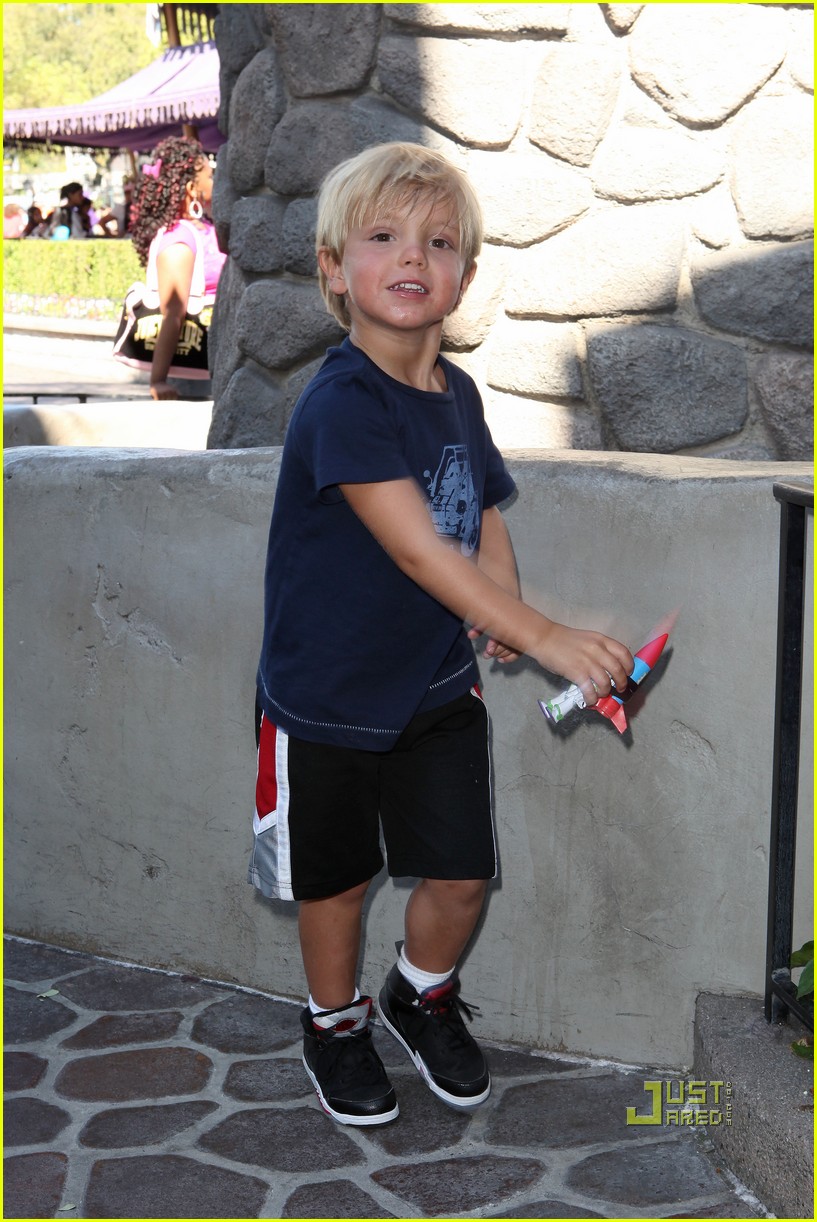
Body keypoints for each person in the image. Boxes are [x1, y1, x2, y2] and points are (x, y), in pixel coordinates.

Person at [251, 142, 634, 1127]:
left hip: (432, 689)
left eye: (437, 240)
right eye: (381, 238)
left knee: (462, 875)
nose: (412, 255)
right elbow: (420, 549)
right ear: (336, 269)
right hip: (325, 699)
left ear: (463, 270)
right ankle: (332, 1021)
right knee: (335, 886)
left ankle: (416, 991)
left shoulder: (455, 393)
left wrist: (495, 603)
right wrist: (543, 633)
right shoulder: (342, 401)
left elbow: (480, 511)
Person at [129, 136, 225, 400]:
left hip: (214, 366)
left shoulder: (202, 229)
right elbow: (173, 313)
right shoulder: (178, 239)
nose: (214, 182)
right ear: (192, 188)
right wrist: (158, 380)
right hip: (190, 376)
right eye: (210, 175)